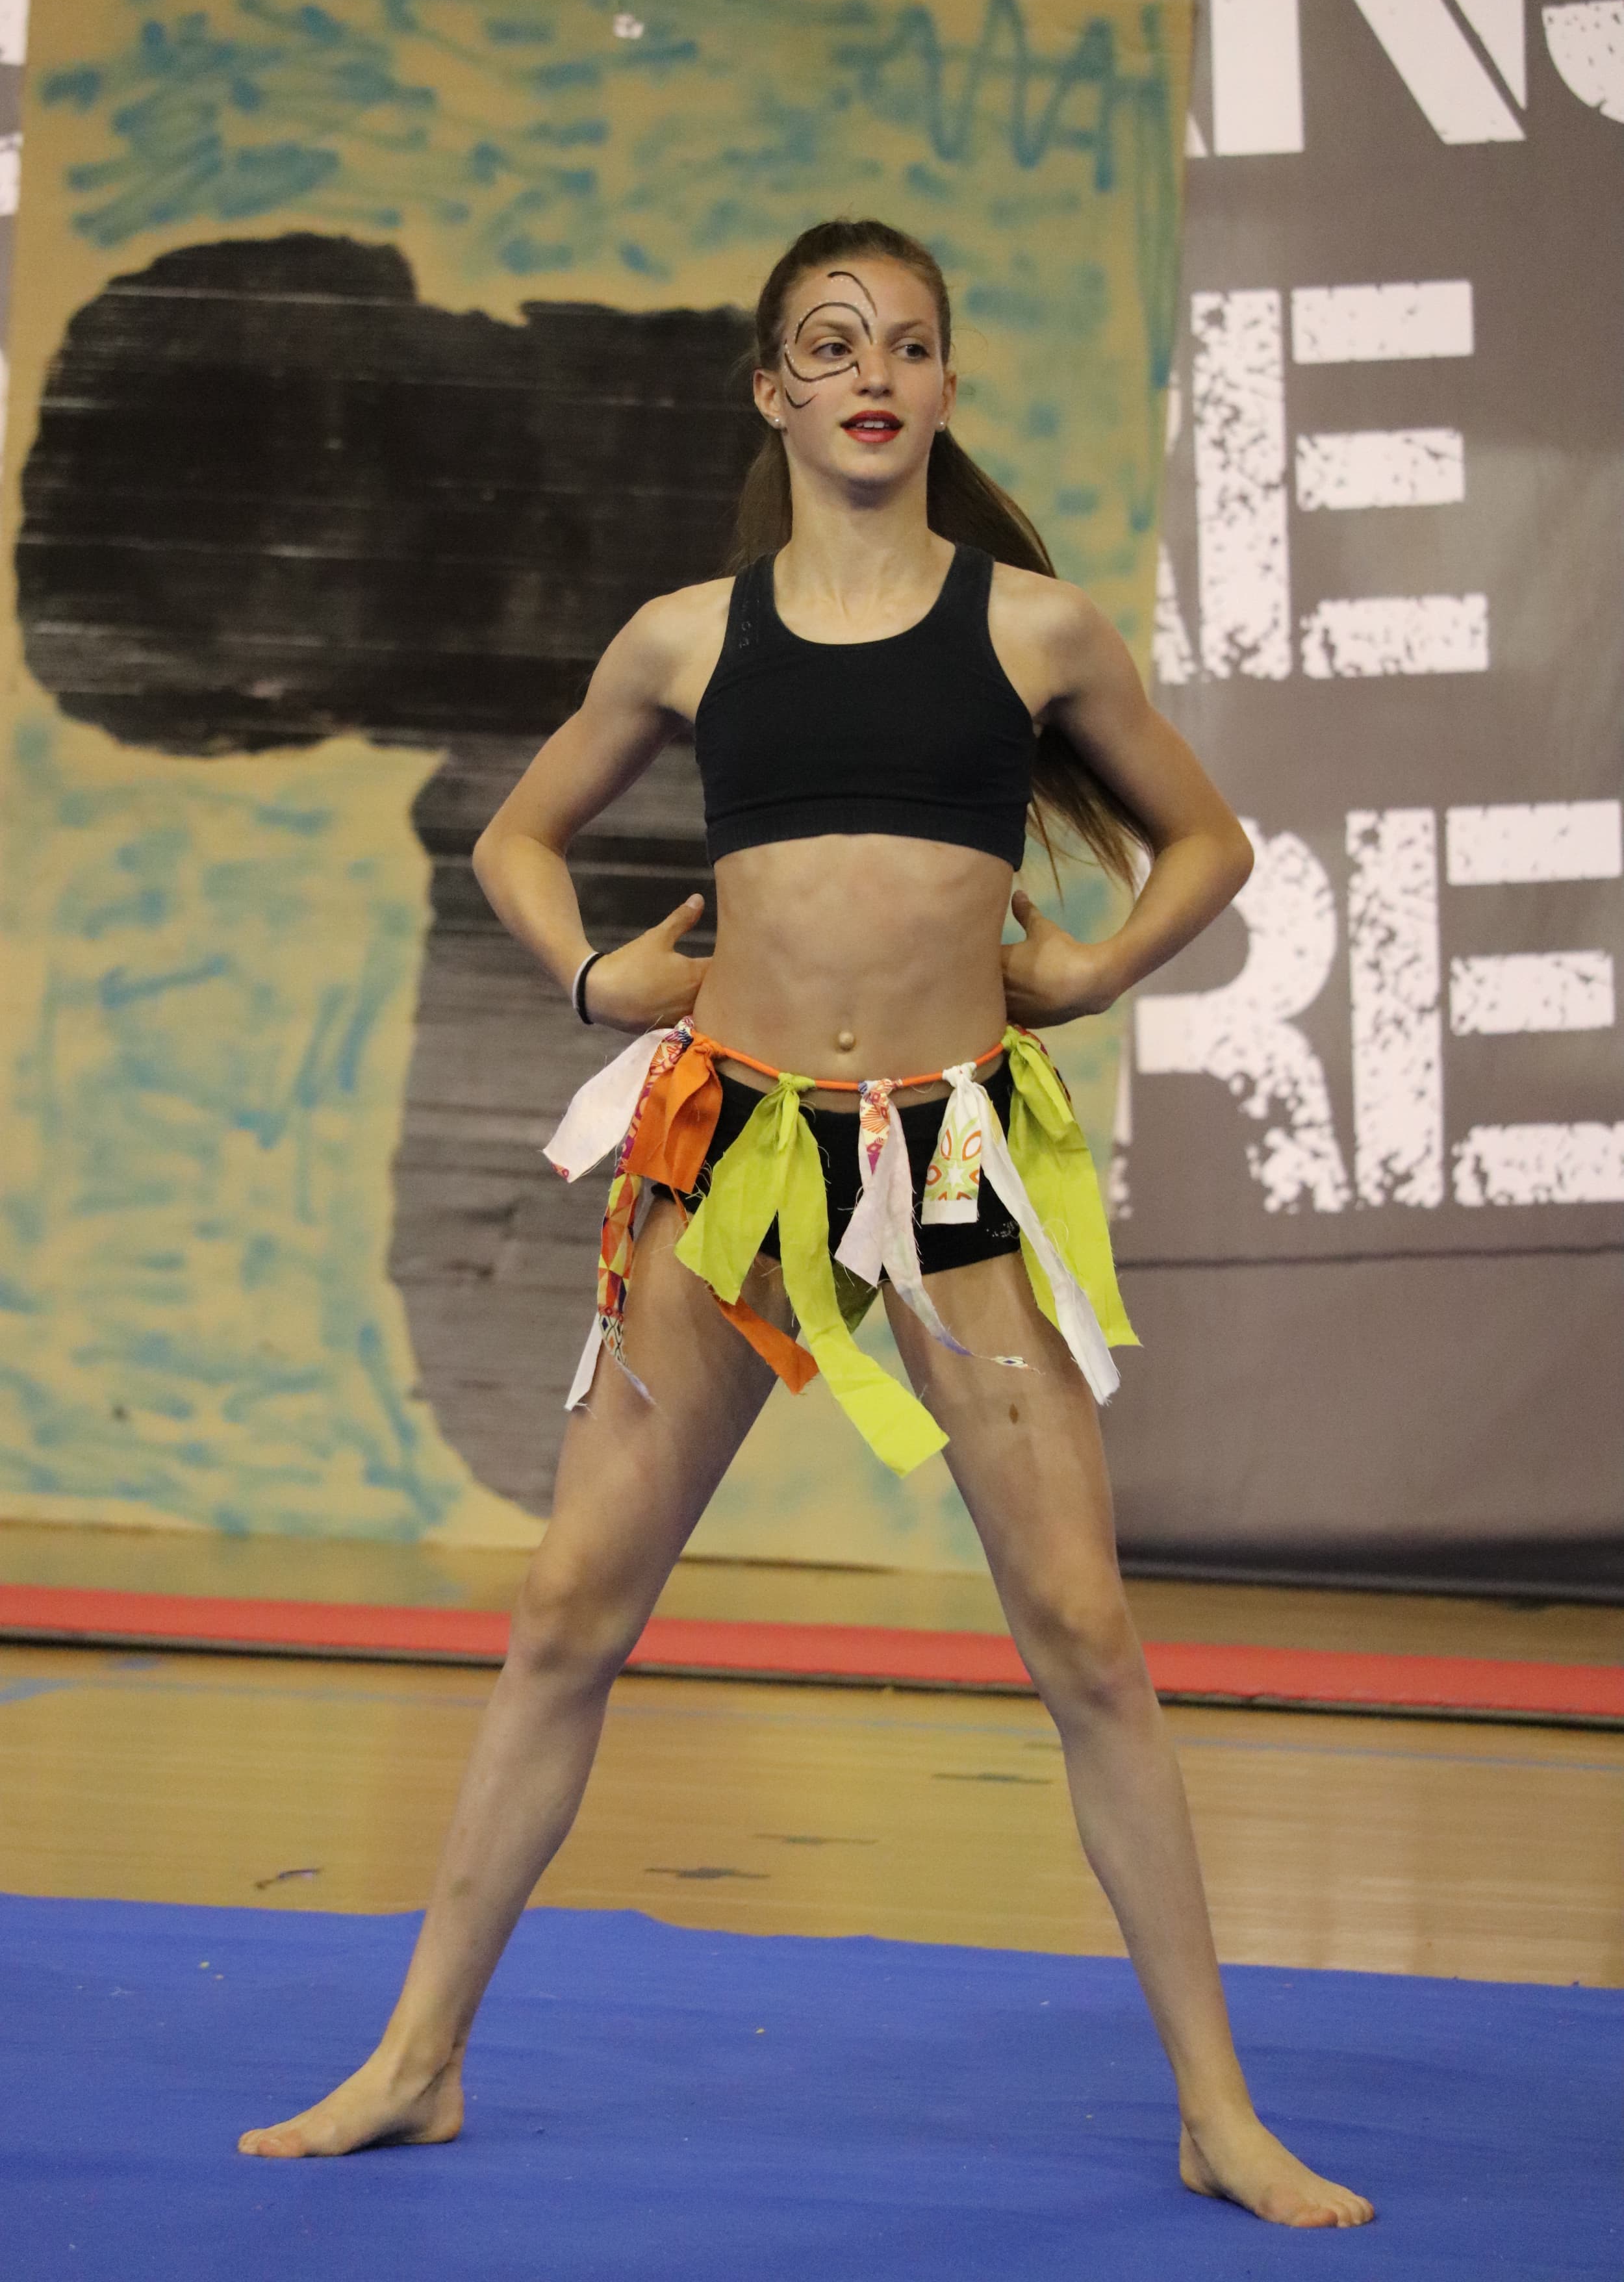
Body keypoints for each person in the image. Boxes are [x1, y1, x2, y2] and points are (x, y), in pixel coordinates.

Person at [238, 218, 1374, 2230]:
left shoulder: (1035, 634)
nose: (872, 372)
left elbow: (1206, 839)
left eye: (907, 344)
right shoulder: (687, 638)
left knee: (1086, 1637)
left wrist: (1092, 967)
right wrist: (597, 978)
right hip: (734, 1163)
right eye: (831, 345)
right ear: (772, 390)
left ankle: (1216, 2111)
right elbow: (518, 836)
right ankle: (416, 2060)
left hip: (946, 1170)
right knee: (568, 1615)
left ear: (942, 387)